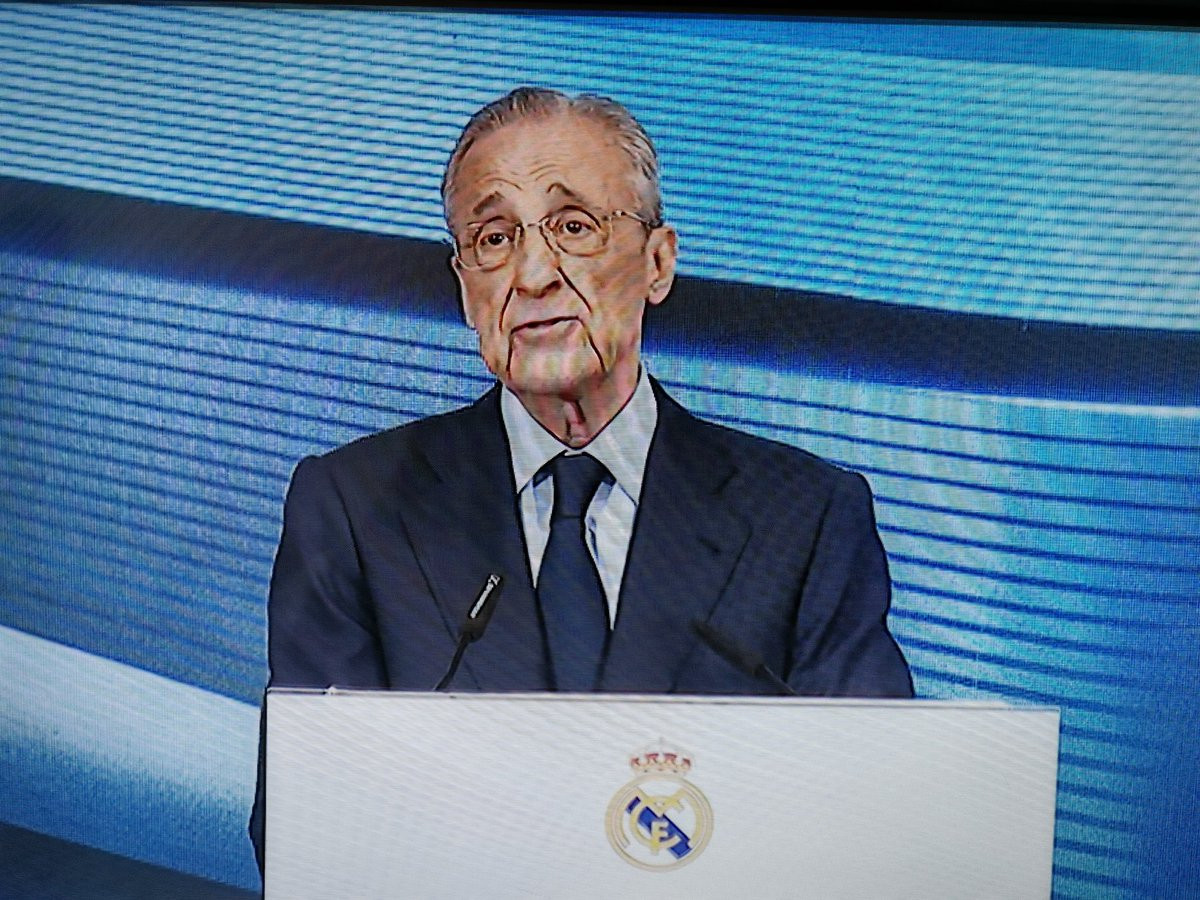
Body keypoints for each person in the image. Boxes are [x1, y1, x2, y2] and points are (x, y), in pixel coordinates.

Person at [250, 86, 911, 868]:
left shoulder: (806, 517)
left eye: (573, 226)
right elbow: (306, 827)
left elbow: (874, 820)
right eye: (494, 238)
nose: (533, 274)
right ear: (465, 285)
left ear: (658, 262)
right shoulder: (354, 508)